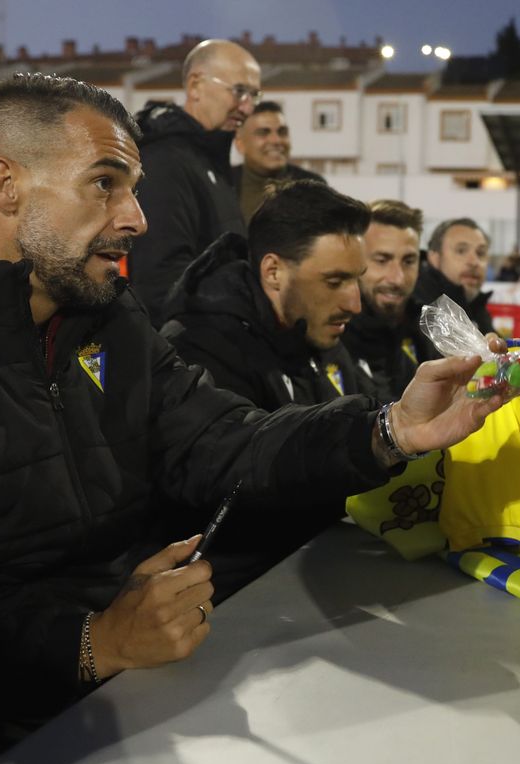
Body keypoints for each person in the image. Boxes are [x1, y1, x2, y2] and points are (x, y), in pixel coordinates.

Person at [0, 72, 501, 764]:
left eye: (132, 187)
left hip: (129, 702)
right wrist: (92, 640)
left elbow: (228, 440)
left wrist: (388, 429)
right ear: (5, 185)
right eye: (105, 184)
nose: (137, 218)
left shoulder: (106, 317)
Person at [159, 180, 376, 597]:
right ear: (273, 272)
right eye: (334, 281)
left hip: (312, 575)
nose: (354, 304)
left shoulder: (318, 332)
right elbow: (239, 503)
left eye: (356, 280)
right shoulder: (199, 350)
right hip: (232, 602)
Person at [129, 39, 259, 325]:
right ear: (195, 85)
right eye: (239, 92)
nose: (247, 108)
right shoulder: (165, 161)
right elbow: (161, 283)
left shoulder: (207, 160)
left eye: (253, 95)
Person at [343, 199, 434, 400]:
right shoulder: (329, 338)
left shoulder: (428, 330)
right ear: (354, 259)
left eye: (408, 261)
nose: (397, 278)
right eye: (382, 261)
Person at [231, 100, 323, 224]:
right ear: (240, 144)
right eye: (263, 133)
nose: (276, 140)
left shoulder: (314, 188)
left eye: (282, 132)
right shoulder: (223, 186)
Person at [413, 216, 494, 333]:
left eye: (481, 253)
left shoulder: (476, 305)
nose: (474, 262)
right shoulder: (415, 309)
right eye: (461, 251)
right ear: (434, 257)